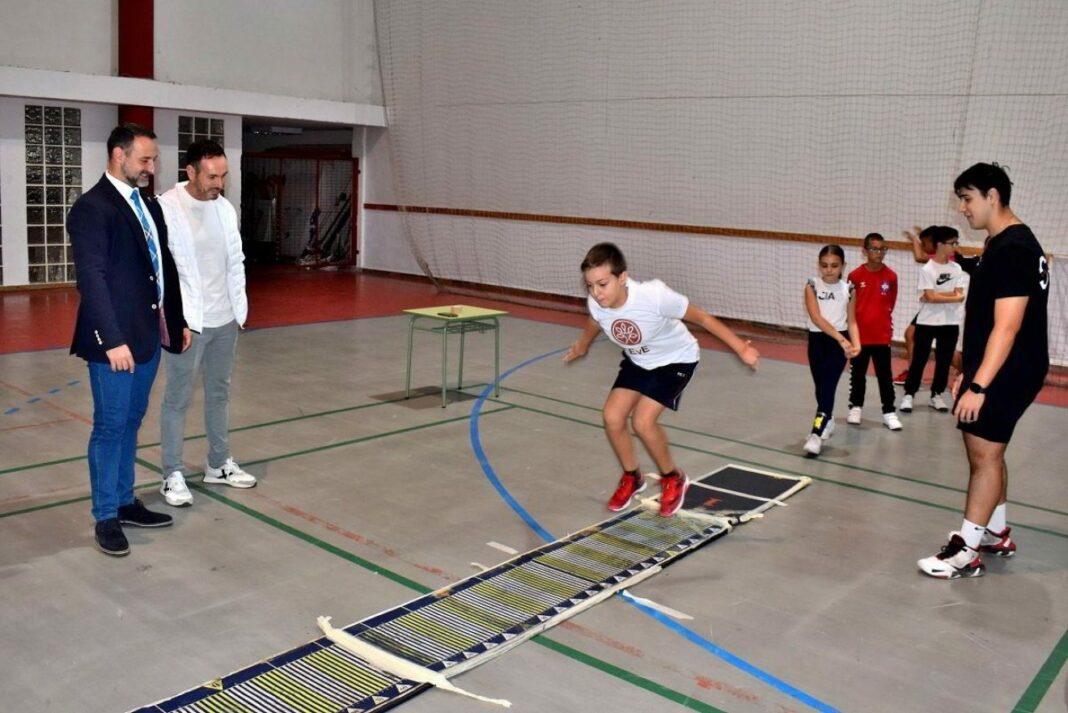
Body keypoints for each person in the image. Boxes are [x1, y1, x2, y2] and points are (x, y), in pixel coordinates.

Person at [918, 162, 1049, 579]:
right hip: (999, 366)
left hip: (1009, 369)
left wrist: (979, 384)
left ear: (992, 196)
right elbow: (986, 316)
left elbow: (1007, 327)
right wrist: (968, 365)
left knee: (984, 456)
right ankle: (994, 533)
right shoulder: (1001, 241)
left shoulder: (1014, 249)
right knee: (989, 452)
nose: (962, 208)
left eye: (967, 198)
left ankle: (966, 552)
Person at [563, 243, 760, 516]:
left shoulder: (654, 296)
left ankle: (673, 478)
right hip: (639, 360)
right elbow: (595, 321)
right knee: (612, 417)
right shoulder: (596, 303)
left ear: (622, 277)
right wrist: (582, 345)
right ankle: (633, 477)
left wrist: (741, 348)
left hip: (676, 359)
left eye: (603, 284)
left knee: (642, 422)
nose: (596, 293)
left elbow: (702, 318)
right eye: (590, 286)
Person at [68, 123, 191, 556]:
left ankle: (124, 501)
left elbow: (163, 267)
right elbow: (92, 278)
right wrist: (111, 339)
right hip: (115, 344)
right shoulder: (92, 208)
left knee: (131, 421)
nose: (151, 168)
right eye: (145, 160)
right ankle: (106, 515)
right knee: (110, 425)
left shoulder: (147, 205)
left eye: (153, 160)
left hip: (147, 337)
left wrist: (177, 320)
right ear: (119, 155)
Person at [157, 140, 255, 507]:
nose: (219, 183)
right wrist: (174, 319)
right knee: (177, 398)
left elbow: (235, 260)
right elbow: (163, 270)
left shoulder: (225, 208)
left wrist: (239, 309)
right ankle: (172, 473)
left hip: (225, 320)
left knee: (219, 394)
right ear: (191, 172)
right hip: (189, 324)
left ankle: (218, 464)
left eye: (224, 176)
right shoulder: (167, 207)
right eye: (212, 176)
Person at [802, 245, 861, 456]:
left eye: (834, 266)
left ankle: (816, 434)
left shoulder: (849, 289)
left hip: (838, 345)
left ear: (843, 266)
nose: (829, 270)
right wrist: (840, 338)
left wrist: (856, 343)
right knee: (820, 388)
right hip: (818, 340)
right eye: (825, 265)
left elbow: (851, 321)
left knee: (828, 388)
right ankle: (827, 418)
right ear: (819, 265)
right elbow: (817, 318)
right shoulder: (812, 286)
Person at [900, 228, 965, 413]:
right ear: (940, 245)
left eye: (956, 242)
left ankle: (936, 395)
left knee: (944, 361)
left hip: (950, 322)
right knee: (919, 359)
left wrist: (937, 295)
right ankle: (909, 394)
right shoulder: (927, 269)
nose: (955, 246)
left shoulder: (957, 268)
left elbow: (960, 295)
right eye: (952, 243)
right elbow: (930, 296)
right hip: (927, 322)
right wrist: (949, 295)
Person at [846, 233, 902, 431]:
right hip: (859, 337)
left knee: (885, 375)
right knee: (857, 374)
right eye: (874, 249)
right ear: (865, 251)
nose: (879, 253)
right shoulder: (855, 276)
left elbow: (890, 304)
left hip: (881, 335)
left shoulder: (891, 276)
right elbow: (849, 306)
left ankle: (889, 412)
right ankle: (855, 407)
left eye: (882, 249)